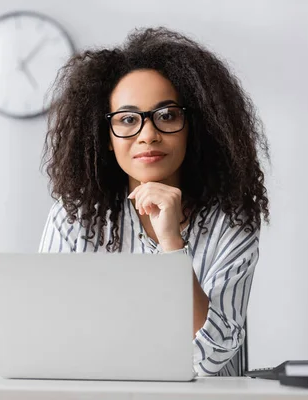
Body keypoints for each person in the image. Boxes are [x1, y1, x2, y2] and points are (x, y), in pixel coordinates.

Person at [39, 27, 269, 376]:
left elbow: (207, 361)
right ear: (106, 138)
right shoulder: (74, 219)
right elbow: (47, 343)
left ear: (195, 127)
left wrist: (172, 245)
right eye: (128, 120)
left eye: (167, 115)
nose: (148, 134)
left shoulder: (230, 224)